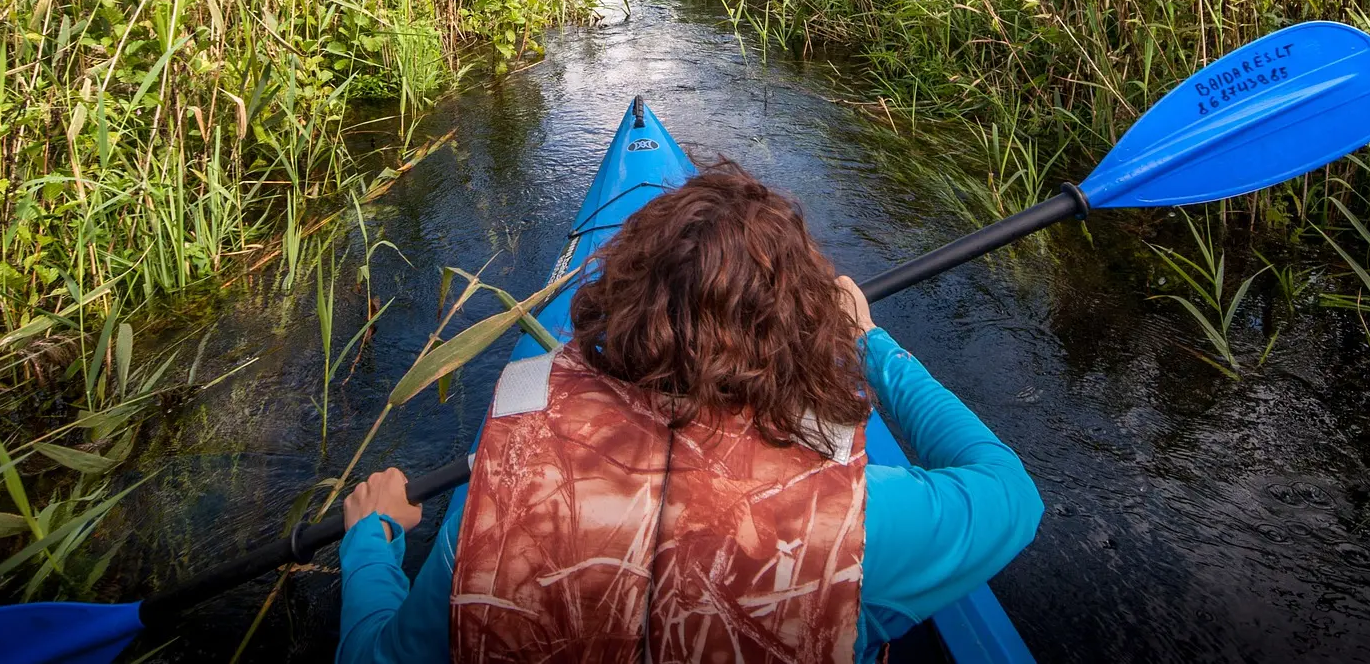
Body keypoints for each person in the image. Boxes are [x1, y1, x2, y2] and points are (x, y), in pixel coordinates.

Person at [336, 164, 1043, 663]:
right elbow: (1010, 489)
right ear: (799, 339)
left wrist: (372, 539)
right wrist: (872, 346)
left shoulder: (495, 512)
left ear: (624, 306)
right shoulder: (860, 529)